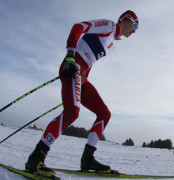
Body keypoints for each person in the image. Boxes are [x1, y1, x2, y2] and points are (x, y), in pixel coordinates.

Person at [25, 10, 139, 177]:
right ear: (126, 20)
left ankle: (88, 159)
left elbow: (90, 59)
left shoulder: (112, 44)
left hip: (83, 75)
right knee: (72, 112)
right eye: (135, 25)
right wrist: (70, 56)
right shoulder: (108, 26)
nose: (134, 30)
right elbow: (79, 27)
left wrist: (80, 83)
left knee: (104, 113)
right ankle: (36, 158)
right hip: (74, 65)